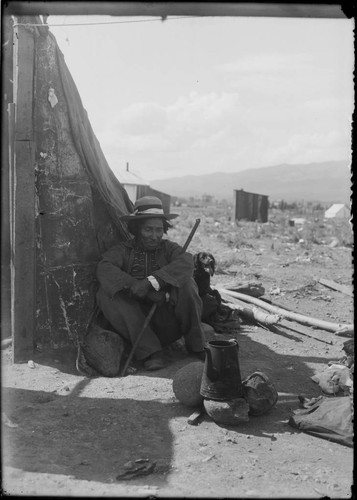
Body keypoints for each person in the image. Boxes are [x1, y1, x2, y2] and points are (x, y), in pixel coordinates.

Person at [96, 196, 206, 371]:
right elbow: (104, 267)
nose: (154, 236)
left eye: (158, 230)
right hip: (136, 329)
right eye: (148, 230)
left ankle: (196, 345)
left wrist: (151, 282)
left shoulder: (169, 249)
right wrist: (136, 286)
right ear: (136, 229)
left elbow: (186, 263)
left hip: (168, 323)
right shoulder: (123, 251)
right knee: (106, 294)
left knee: (188, 284)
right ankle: (150, 352)